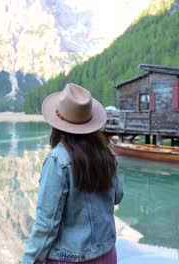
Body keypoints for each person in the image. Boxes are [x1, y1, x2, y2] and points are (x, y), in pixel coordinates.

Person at [22, 83, 123, 264]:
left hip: (69, 259)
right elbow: (117, 197)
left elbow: (47, 224)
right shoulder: (108, 155)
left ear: (57, 123)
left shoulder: (57, 161)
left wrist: (30, 261)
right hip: (106, 254)